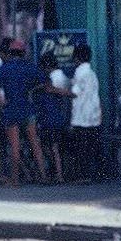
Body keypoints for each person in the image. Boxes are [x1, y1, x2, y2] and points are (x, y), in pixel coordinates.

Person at [0, 40, 48, 186]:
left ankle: (15, 180)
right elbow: (44, 82)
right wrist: (32, 90)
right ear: (23, 53)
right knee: (35, 143)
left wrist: (1, 100)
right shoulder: (30, 67)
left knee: (15, 146)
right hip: (28, 109)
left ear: (10, 53)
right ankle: (43, 176)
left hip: (11, 110)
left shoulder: (5, 68)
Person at [68, 44, 102, 181]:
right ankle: (98, 174)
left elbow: (73, 93)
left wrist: (53, 90)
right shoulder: (92, 73)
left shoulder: (80, 72)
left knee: (81, 147)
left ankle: (84, 176)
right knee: (94, 146)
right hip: (93, 114)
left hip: (81, 116)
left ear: (77, 58)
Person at [35, 51, 70, 182]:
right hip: (60, 118)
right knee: (56, 148)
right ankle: (59, 173)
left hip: (50, 119)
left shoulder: (52, 81)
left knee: (51, 147)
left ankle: (57, 173)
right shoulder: (64, 78)